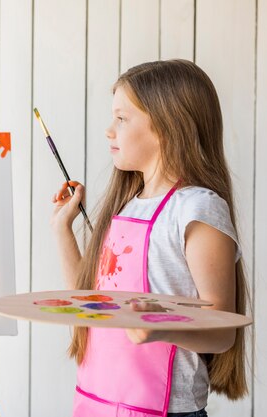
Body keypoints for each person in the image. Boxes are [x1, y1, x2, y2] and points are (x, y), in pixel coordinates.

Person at [51, 59, 247, 417]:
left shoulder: (196, 209)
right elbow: (92, 306)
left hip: (162, 409)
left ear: (167, 126)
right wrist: (62, 231)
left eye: (122, 119)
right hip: (96, 400)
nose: (110, 131)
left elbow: (223, 334)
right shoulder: (127, 206)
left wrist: (157, 328)